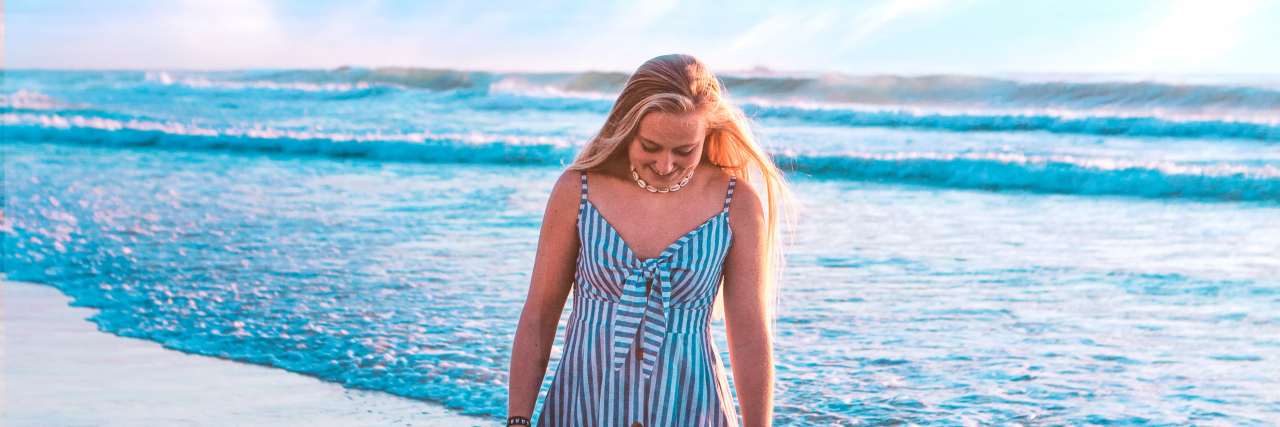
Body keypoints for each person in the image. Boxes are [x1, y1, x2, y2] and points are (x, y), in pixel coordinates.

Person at [506, 54, 791, 427]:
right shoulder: (578, 191)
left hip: (690, 407)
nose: (665, 165)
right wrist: (517, 420)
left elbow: (750, 334)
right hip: (584, 406)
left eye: (685, 150)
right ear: (626, 128)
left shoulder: (736, 203)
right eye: (651, 146)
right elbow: (539, 318)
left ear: (707, 135)